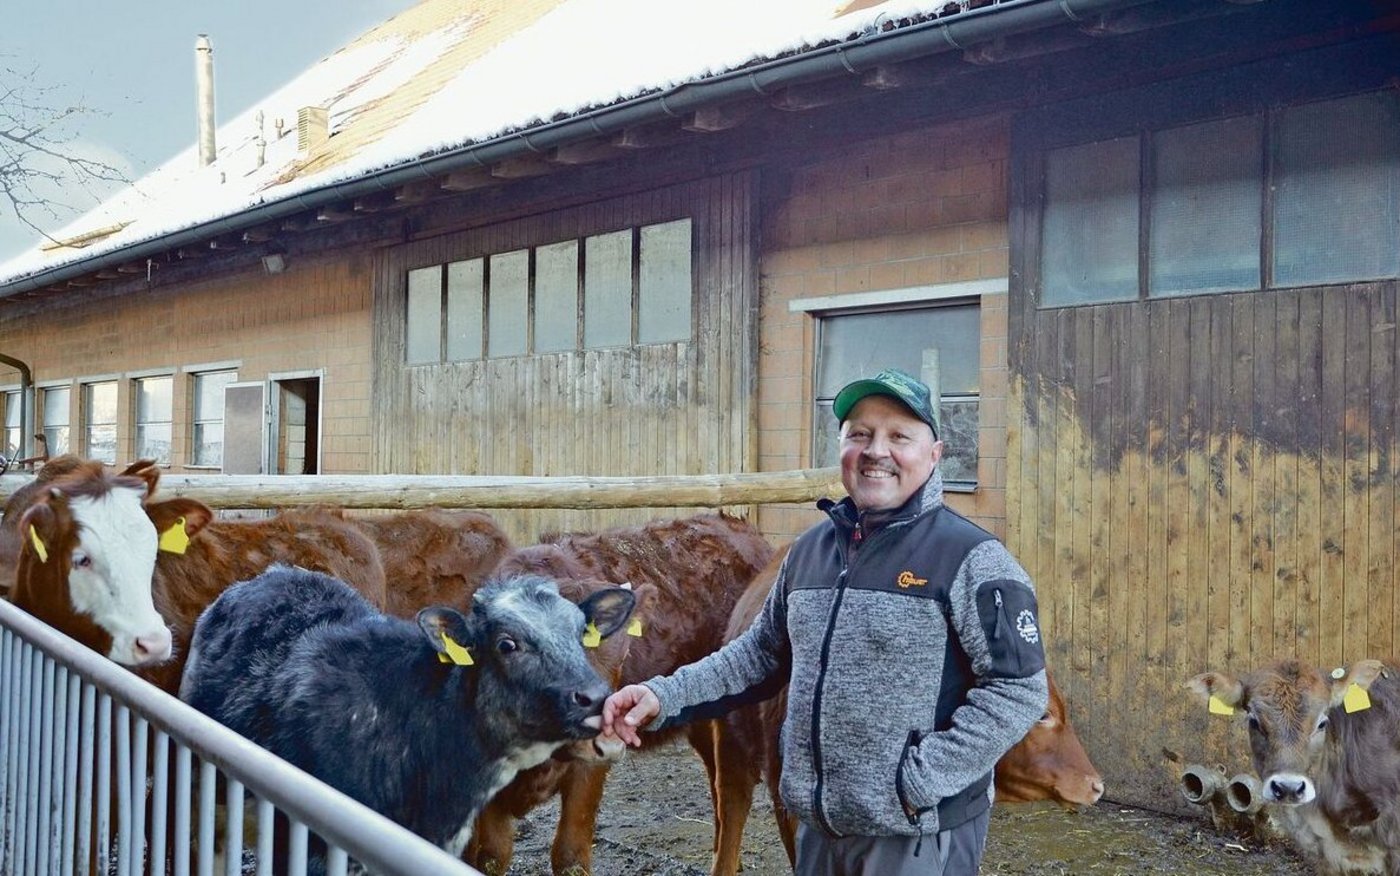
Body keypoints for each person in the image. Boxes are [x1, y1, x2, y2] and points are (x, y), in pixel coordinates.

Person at [602, 368, 1049, 876]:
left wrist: (918, 782)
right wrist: (665, 696)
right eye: (859, 434)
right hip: (818, 825)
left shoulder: (973, 560)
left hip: (916, 835)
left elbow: (1017, 691)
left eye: (898, 436)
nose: (876, 450)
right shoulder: (810, 554)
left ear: (935, 454)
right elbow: (759, 655)